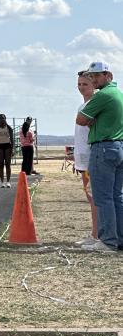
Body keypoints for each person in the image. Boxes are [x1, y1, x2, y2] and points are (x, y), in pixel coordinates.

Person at [76, 61, 123, 253]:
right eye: (91, 76)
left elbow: (80, 118)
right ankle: (118, 238)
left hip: (103, 147)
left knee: (102, 197)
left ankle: (108, 240)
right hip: (118, 146)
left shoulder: (102, 95)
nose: (94, 79)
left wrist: (92, 120)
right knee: (116, 196)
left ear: (107, 75)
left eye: (96, 76)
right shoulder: (118, 94)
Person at [73, 70, 98, 247]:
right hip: (82, 158)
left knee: (95, 198)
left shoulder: (94, 106)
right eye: (79, 84)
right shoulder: (82, 107)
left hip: (91, 158)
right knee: (90, 197)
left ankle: (97, 234)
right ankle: (95, 233)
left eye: (85, 84)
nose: (82, 88)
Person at [0, 113, 14, 188]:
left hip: (7, 146)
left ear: (5, 119)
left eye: (3, 118)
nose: (2, 120)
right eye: (0, 118)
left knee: (8, 164)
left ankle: (8, 182)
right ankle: (2, 182)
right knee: (1, 164)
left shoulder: (9, 128)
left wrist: (12, 149)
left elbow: (12, 139)